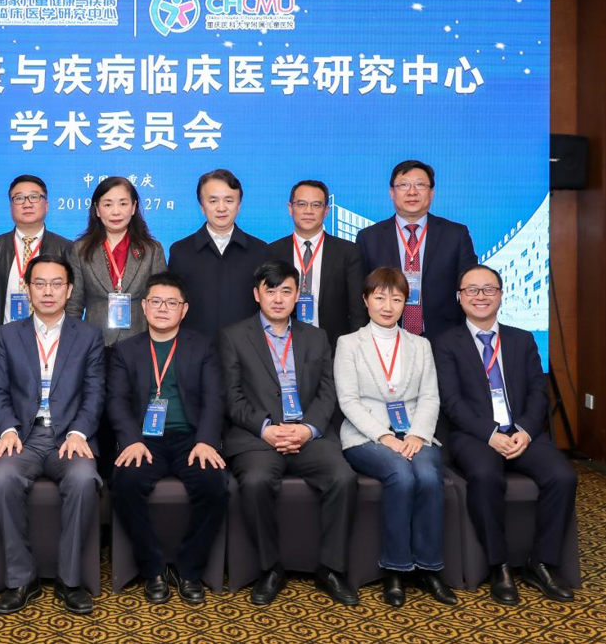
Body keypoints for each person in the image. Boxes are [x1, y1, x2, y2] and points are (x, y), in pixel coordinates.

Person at [434, 264, 577, 605]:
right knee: (485, 476)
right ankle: (499, 565)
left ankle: (541, 563)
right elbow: (451, 401)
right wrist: (489, 433)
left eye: (488, 289)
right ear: (459, 297)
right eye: (471, 290)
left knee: (563, 477)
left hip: (522, 432)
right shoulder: (445, 343)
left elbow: (538, 392)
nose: (480, 296)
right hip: (474, 435)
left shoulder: (522, 339)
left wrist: (525, 430)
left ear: (500, 295)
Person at [220, 260, 359, 606]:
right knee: (255, 482)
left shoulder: (316, 336)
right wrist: (265, 429)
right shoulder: (234, 336)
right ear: (257, 295)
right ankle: (270, 568)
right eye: (271, 291)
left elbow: (327, 392)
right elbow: (232, 398)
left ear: (298, 295)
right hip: (258, 437)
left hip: (307, 434)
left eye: (286, 291)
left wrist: (308, 429)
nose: (278, 299)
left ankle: (331, 568)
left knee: (343, 478)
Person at [0, 255, 105, 615]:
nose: (48, 291)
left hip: (70, 436)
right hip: (23, 436)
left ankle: (69, 580)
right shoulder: (7, 335)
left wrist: (80, 432)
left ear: (69, 290)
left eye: (57, 284)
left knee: (84, 480)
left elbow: (95, 392)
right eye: (40, 283)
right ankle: (22, 579)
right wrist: (7, 429)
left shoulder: (88, 335)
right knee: (1, 479)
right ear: (27, 289)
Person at [334, 267, 456, 607]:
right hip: (366, 434)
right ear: (366, 300)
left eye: (397, 299)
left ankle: (429, 567)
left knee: (429, 476)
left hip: (415, 431)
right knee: (401, 475)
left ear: (406, 303)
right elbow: (348, 400)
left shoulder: (421, 345)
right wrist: (384, 436)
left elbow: (430, 397)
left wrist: (417, 434)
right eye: (380, 298)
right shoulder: (349, 343)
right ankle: (396, 569)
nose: (388, 306)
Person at [109, 272, 228, 605]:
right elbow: (116, 401)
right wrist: (131, 440)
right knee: (126, 483)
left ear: (184, 309)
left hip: (190, 438)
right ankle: (153, 569)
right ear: (144, 306)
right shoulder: (124, 350)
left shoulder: (202, 346)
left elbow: (214, 398)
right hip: (143, 440)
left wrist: (206, 441)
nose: (163, 308)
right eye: (156, 301)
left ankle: (189, 569)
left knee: (214, 485)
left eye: (171, 303)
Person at [355, 160, 477, 341]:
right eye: (404, 185)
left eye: (420, 185)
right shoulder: (369, 237)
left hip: (445, 340)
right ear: (391, 193)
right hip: (384, 339)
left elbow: (471, 287)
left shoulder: (455, 235)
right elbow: (359, 294)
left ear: (431, 193)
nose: (412, 192)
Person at [168, 169, 272, 338]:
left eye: (229, 200)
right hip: (194, 347)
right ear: (202, 207)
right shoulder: (181, 251)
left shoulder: (260, 251)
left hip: (246, 347)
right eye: (213, 201)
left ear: (239, 205)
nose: (221, 208)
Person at [66, 176, 166, 346]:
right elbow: (74, 305)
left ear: (133, 207)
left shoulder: (152, 249)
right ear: (97, 210)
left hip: (141, 343)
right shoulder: (80, 250)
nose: (116, 212)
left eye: (123, 204)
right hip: (95, 343)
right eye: (107, 204)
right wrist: (72, 345)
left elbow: (160, 300)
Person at [268, 179, 367, 351]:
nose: (308, 211)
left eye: (316, 205)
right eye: (301, 204)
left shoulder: (348, 252)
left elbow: (357, 310)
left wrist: (354, 350)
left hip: (334, 348)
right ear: (290, 208)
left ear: (326, 211)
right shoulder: (272, 252)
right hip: (283, 348)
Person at [0, 174, 73, 349]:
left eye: (34, 197)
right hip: (4, 345)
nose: (27, 204)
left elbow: (73, 301)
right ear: (11, 206)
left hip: (54, 345)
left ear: (46, 205)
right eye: (19, 198)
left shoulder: (67, 249)